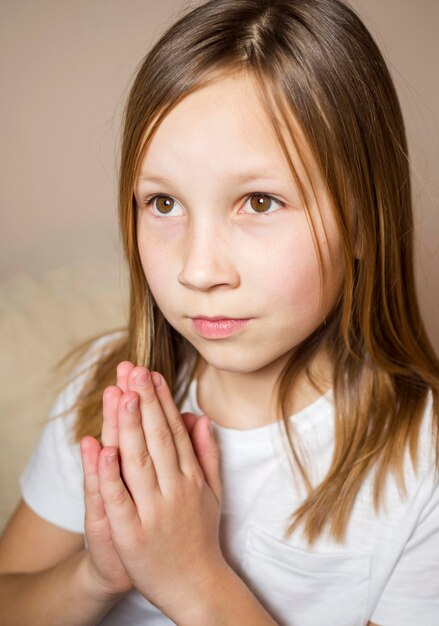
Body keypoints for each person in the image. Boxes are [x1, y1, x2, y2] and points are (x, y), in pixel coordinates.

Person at [0, 0, 438, 624]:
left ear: (364, 219)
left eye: (259, 202)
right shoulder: (108, 392)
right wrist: (95, 576)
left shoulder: (424, 463)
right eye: (163, 202)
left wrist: (194, 578)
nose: (198, 271)